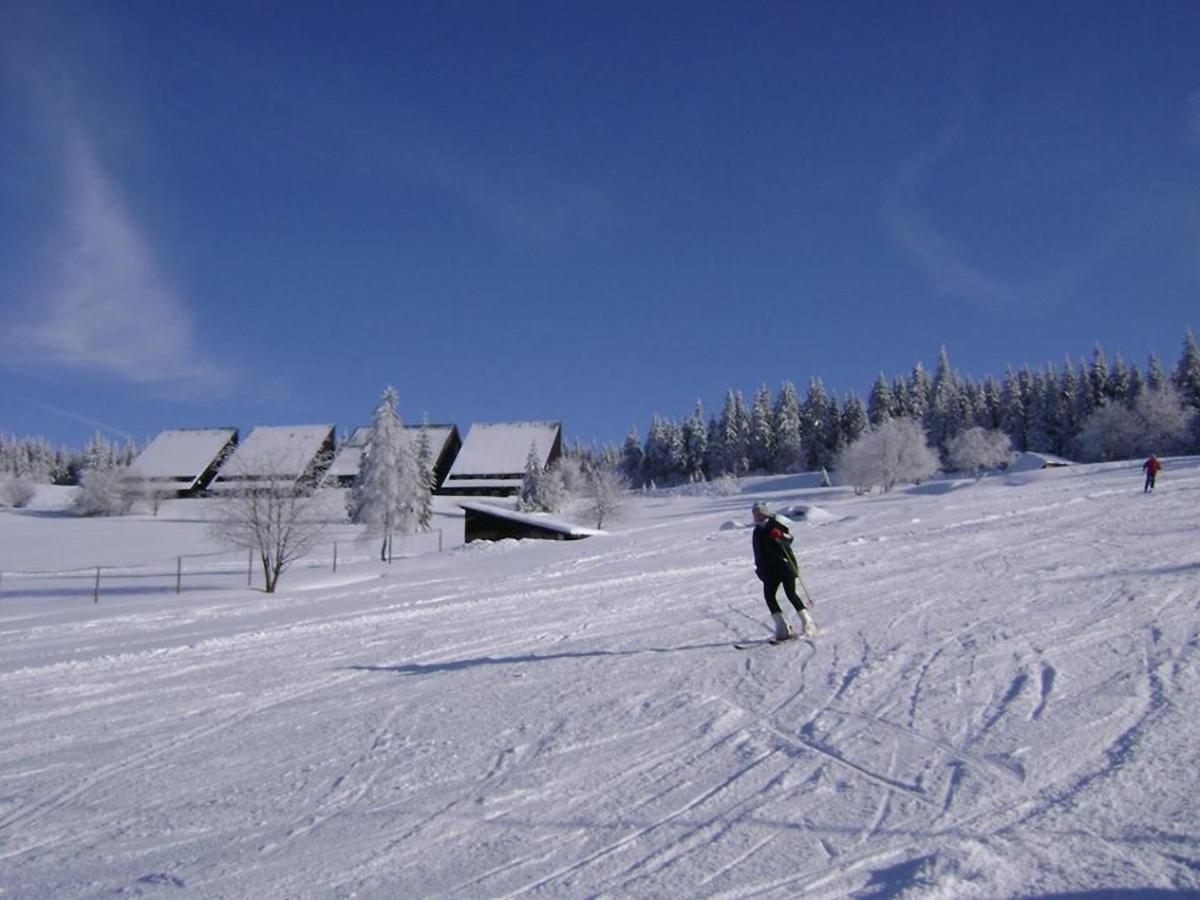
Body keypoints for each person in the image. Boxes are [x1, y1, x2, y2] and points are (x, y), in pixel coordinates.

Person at [751, 501, 816, 640]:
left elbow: (789, 539)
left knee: (791, 594)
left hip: (784, 567)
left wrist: (780, 536)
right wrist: (759, 569)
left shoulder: (775, 525)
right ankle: (782, 628)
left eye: (759, 513)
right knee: (769, 597)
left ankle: (808, 623)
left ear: (764, 513)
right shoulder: (757, 531)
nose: (756, 516)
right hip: (768, 571)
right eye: (755, 513)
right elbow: (757, 552)